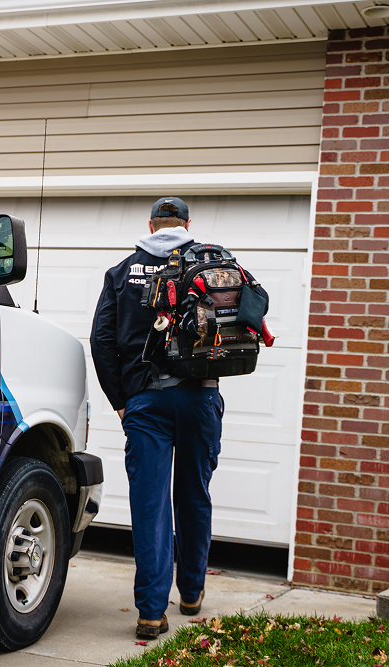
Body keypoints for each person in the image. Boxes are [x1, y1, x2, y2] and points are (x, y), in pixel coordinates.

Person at [90, 196, 265, 640]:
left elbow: (101, 340)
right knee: (194, 494)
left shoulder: (121, 273)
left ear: (150, 225)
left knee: (150, 506)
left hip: (146, 402)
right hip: (201, 398)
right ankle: (191, 592)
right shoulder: (214, 263)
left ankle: (151, 613)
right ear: (189, 224)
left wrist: (120, 400)